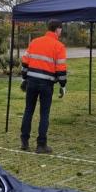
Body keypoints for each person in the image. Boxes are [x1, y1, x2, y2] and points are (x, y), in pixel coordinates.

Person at [19, 19, 67, 153]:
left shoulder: (34, 42)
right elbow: (61, 69)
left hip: (32, 81)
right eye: (61, 29)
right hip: (47, 84)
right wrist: (63, 85)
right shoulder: (59, 46)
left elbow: (25, 62)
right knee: (44, 114)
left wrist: (24, 77)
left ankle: (24, 141)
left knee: (28, 110)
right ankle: (41, 144)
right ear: (57, 29)